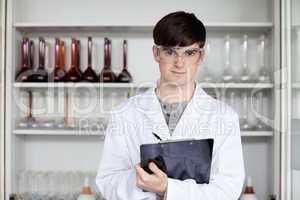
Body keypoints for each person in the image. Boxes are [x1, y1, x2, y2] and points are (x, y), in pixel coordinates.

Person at [96, 11, 245, 200]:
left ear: (200, 56)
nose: (179, 63)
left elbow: (227, 189)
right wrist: (141, 179)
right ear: (156, 53)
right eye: (170, 52)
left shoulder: (224, 116)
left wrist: (167, 188)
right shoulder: (124, 114)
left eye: (189, 53)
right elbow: (107, 182)